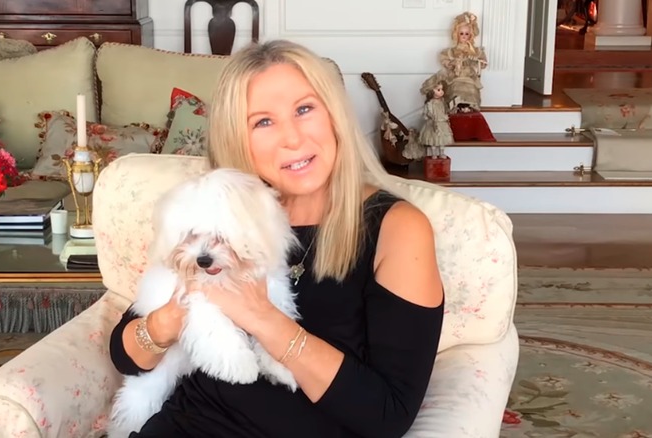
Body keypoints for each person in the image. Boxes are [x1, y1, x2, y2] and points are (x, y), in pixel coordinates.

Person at [109, 39, 445, 438]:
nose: (292, 138)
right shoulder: (224, 210)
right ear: (239, 138)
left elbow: (387, 416)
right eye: (263, 122)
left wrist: (263, 318)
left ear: (335, 115)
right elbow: (125, 355)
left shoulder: (398, 229)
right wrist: (171, 318)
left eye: (304, 109)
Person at [438, 12, 488, 113]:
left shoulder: (476, 51)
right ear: (457, 34)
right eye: (461, 33)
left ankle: (470, 108)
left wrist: (477, 61)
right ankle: (456, 107)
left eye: (467, 34)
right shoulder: (452, 51)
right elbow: (444, 59)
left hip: (469, 78)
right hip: (456, 78)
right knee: (455, 90)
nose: (464, 36)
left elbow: (483, 63)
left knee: (472, 90)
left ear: (471, 35)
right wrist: (452, 63)